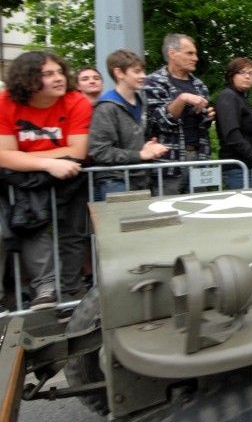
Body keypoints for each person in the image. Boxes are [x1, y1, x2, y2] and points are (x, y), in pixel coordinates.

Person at [0, 51, 92, 309]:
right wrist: (48, 162)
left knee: (72, 235)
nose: (59, 78)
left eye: (60, 72)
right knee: (31, 228)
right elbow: (3, 155)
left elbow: (77, 152)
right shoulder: (5, 101)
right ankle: (45, 290)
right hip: (23, 183)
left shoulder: (76, 100)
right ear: (27, 80)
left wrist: (23, 156)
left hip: (69, 179)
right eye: (48, 74)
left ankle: (71, 293)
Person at [89, 50, 169, 199]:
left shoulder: (142, 102)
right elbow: (99, 151)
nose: (143, 76)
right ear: (119, 73)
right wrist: (140, 154)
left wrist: (147, 146)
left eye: (143, 71)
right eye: (137, 71)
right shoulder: (106, 107)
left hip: (140, 179)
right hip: (114, 182)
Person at [144, 33, 215, 196]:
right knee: (168, 214)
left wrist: (208, 116)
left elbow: (201, 126)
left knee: (201, 212)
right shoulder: (153, 83)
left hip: (199, 160)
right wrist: (182, 99)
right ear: (172, 53)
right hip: (169, 165)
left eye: (195, 53)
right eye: (190, 53)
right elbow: (156, 123)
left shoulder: (200, 85)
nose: (195, 58)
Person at [215, 57, 252, 189]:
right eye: (242, 72)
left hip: (246, 167)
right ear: (231, 75)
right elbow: (231, 133)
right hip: (237, 167)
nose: (248, 76)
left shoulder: (242, 99)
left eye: (251, 73)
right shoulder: (228, 96)